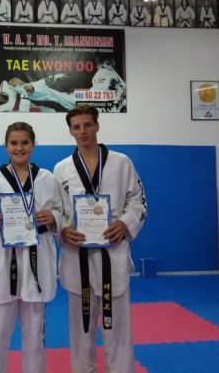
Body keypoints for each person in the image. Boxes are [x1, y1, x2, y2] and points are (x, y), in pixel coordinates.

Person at [53, 105, 147, 373]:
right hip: (77, 256)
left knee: (118, 331)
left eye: (87, 125)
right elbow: (55, 208)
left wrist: (124, 223)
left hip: (112, 252)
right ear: (70, 131)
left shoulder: (121, 162)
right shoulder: (61, 169)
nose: (83, 131)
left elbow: (138, 201)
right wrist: (63, 228)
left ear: (97, 125)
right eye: (76, 127)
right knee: (81, 332)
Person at [0, 122, 62, 373]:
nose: (19, 148)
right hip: (3, 257)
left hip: (37, 258)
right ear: (5, 146)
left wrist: (53, 217)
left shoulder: (47, 178)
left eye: (25, 142)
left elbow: (61, 211)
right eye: (14, 143)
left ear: (33, 145)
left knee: (35, 334)